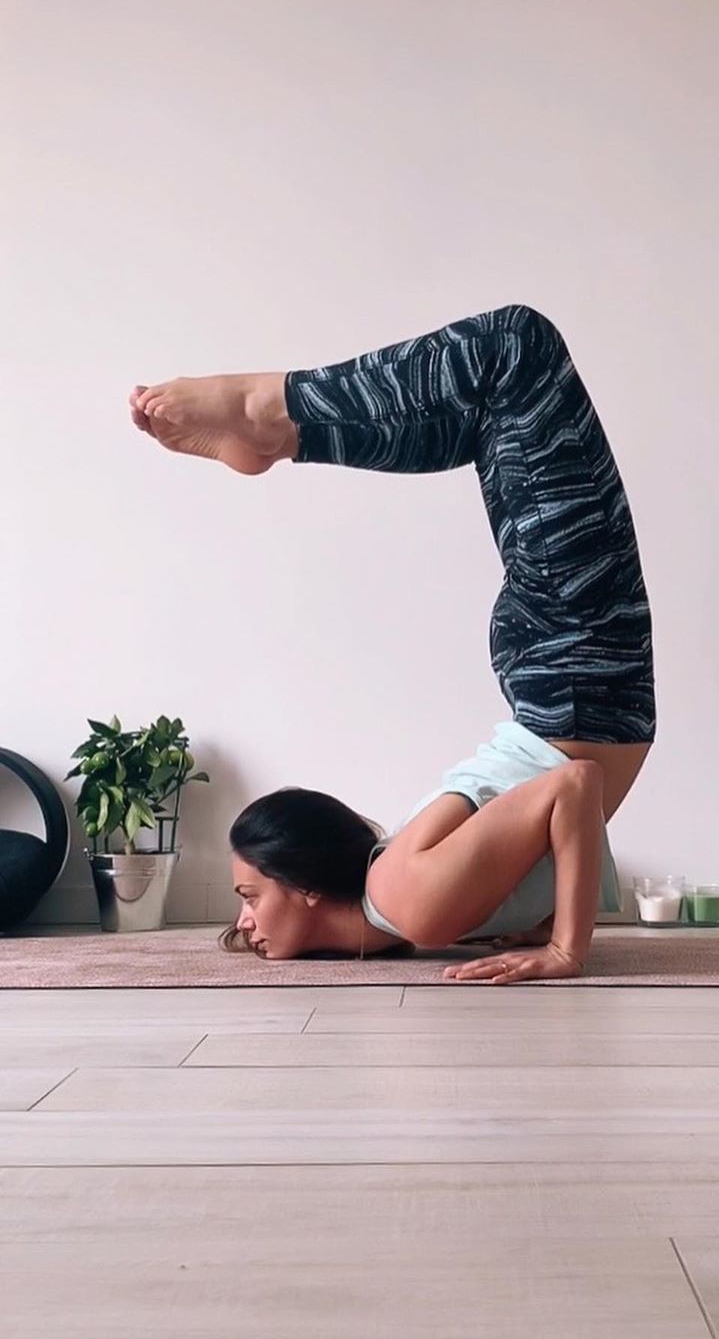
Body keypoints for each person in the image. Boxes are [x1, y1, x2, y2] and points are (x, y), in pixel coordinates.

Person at [130, 304, 656, 982]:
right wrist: (556, 940)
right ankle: (278, 424)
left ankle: (275, 422)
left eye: (248, 898)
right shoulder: (410, 904)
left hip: (576, 667)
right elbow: (570, 790)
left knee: (515, 360)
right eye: (248, 898)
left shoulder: (408, 902)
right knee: (501, 386)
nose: (244, 921)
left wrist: (559, 939)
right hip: (574, 666)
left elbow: (576, 785)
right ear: (307, 886)